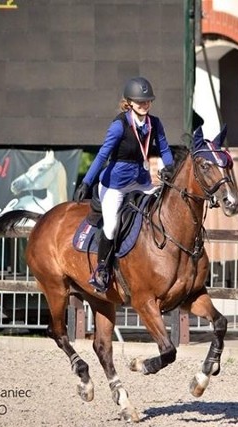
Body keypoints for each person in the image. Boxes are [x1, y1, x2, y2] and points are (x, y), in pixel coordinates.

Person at [73, 76, 175, 293]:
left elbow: (165, 149)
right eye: (140, 102)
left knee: (164, 208)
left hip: (142, 182)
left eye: (147, 101)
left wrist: (170, 167)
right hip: (115, 185)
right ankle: (101, 270)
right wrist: (87, 181)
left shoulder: (154, 123)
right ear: (130, 102)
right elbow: (102, 156)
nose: (145, 105)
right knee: (110, 225)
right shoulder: (119, 126)